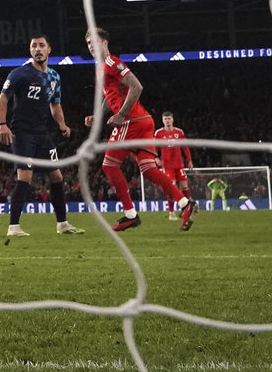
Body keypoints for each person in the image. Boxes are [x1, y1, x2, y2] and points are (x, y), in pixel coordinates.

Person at [83, 30, 195, 233]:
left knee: (109, 166)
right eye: (88, 43)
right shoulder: (102, 68)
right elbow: (112, 97)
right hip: (144, 121)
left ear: (105, 43)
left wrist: (121, 115)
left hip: (131, 122)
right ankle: (185, 203)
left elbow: (137, 87)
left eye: (95, 42)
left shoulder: (112, 64)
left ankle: (130, 215)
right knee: (149, 170)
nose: (91, 46)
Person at [0, 33, 79, 239]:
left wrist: (62, 123)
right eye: (34, 46)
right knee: (25, 177)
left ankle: (63, 224)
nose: (38, 49)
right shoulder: (19, 74)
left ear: (49, 49)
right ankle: (13, 226)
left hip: (43, 134)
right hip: (22, 133)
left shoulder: (54, 77)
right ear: (30, 50)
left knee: (57, 176)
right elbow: (3, 98)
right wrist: (2, 124)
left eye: (42, 45)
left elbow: (55, 104)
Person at [156, 112, 189, 195]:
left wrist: (190, 160)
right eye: (165, 119)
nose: (167, 121)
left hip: (179, 164)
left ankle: (188, 207)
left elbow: (185, 147)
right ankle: (171, 208)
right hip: (167, 165)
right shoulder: (158, 133)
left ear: (172, 120)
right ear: (162, 121)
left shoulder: (179, 132)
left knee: (184, 187)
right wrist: (156, 158)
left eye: (169, 118)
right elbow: (153, 148)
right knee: (171, 187)